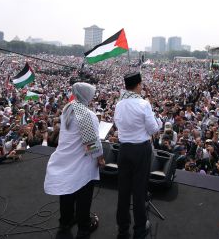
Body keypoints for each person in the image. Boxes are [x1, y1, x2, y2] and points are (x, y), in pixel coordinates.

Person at [44, 82, 104, 239]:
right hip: (81, 162)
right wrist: (100, 159)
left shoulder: (68, 108)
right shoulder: (86, 114)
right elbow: (91, 144)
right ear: (86, 95)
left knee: (67, 193)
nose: (93, 97)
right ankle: (84, 227)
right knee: (84, 196)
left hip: (65, 159)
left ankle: (66, 221)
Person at [114, 71, 160, 239]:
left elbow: (117, 124)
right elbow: (154, 129)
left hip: (124, 149)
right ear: (138, 85)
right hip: (140, 150)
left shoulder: (119, 104)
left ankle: (123, 227)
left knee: (123, 191)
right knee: (139, 191)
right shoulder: (143, 104)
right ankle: (140, 228)